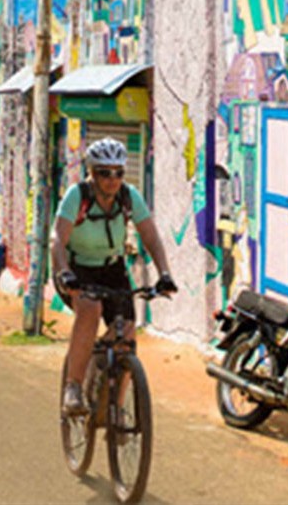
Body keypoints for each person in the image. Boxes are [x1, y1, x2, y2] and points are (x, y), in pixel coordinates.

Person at [51, 138, 176, 415]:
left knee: (127, 332)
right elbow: (57, 240)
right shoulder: (77, 195)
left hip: (112, 268)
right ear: (92, 173)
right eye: (105, 173)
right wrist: (65, 273)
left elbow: (150, 236)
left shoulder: (129, 197)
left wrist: (165, 273)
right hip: (76, 267)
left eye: (119, 172)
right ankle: (73, 386)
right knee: (90, 309)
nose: (113, 179)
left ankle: (116, 408)